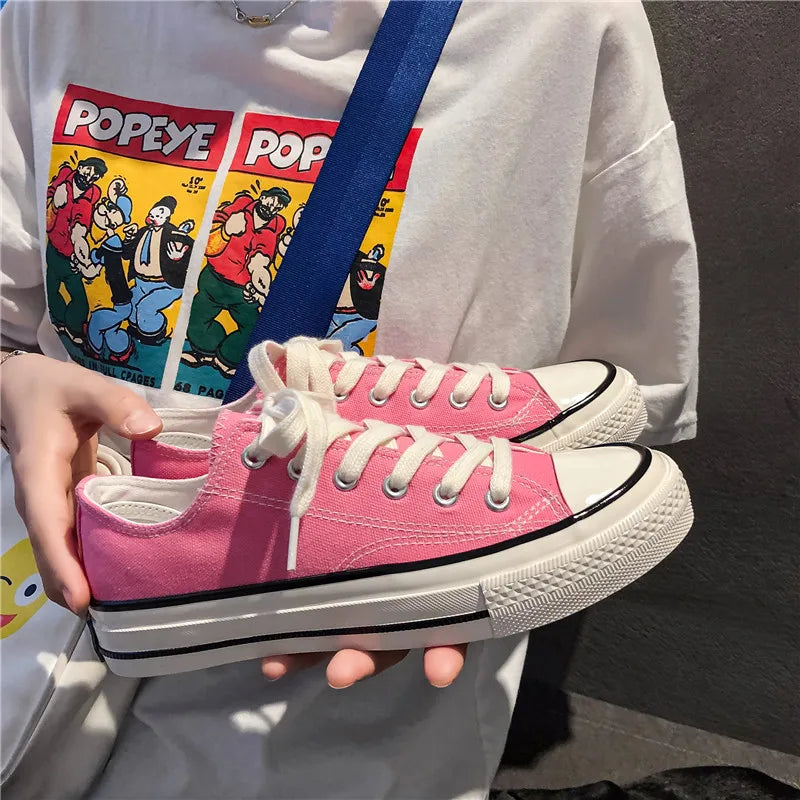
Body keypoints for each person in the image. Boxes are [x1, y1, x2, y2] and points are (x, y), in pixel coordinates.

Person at [0, 1, 698, 798]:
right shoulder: (51, 12)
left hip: (344, 733)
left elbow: (619, 403)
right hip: (38, 616)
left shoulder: (560, 24)